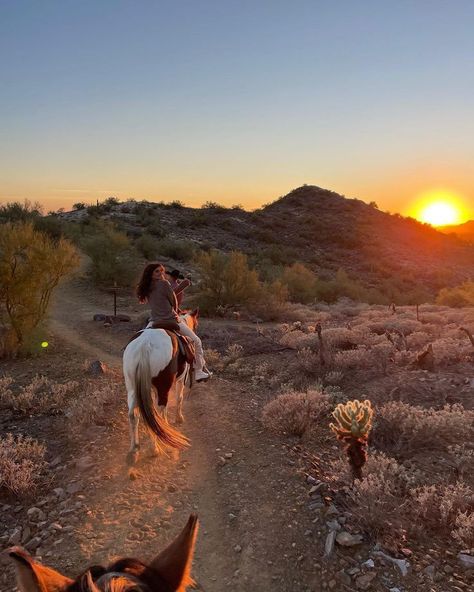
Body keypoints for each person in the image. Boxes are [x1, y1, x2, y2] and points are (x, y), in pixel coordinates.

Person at [136, 262, 211, 382]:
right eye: (157, 271)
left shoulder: (145, 287)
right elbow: (173, 300)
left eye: (162, 271)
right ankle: (198, 372)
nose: (161, 273)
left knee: (141, 336)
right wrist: (174, 309)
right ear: (150, 273)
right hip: (170, 319)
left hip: (154, 321)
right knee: (197, 341)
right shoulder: (164, 283)